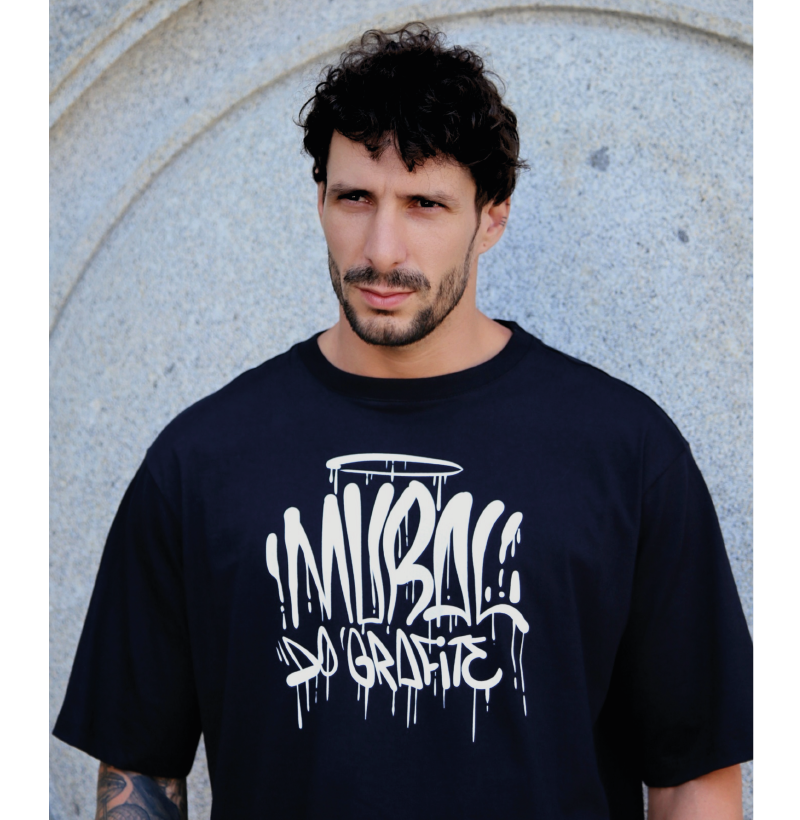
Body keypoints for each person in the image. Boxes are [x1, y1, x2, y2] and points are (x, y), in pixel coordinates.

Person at [54, 23, 753, 820]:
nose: (382, 250)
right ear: (320, 201)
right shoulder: (201, 462)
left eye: (425, 204)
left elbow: (692, 775)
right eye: (356, 198)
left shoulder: (625, 455)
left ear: (492, 218)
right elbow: (140, 774)